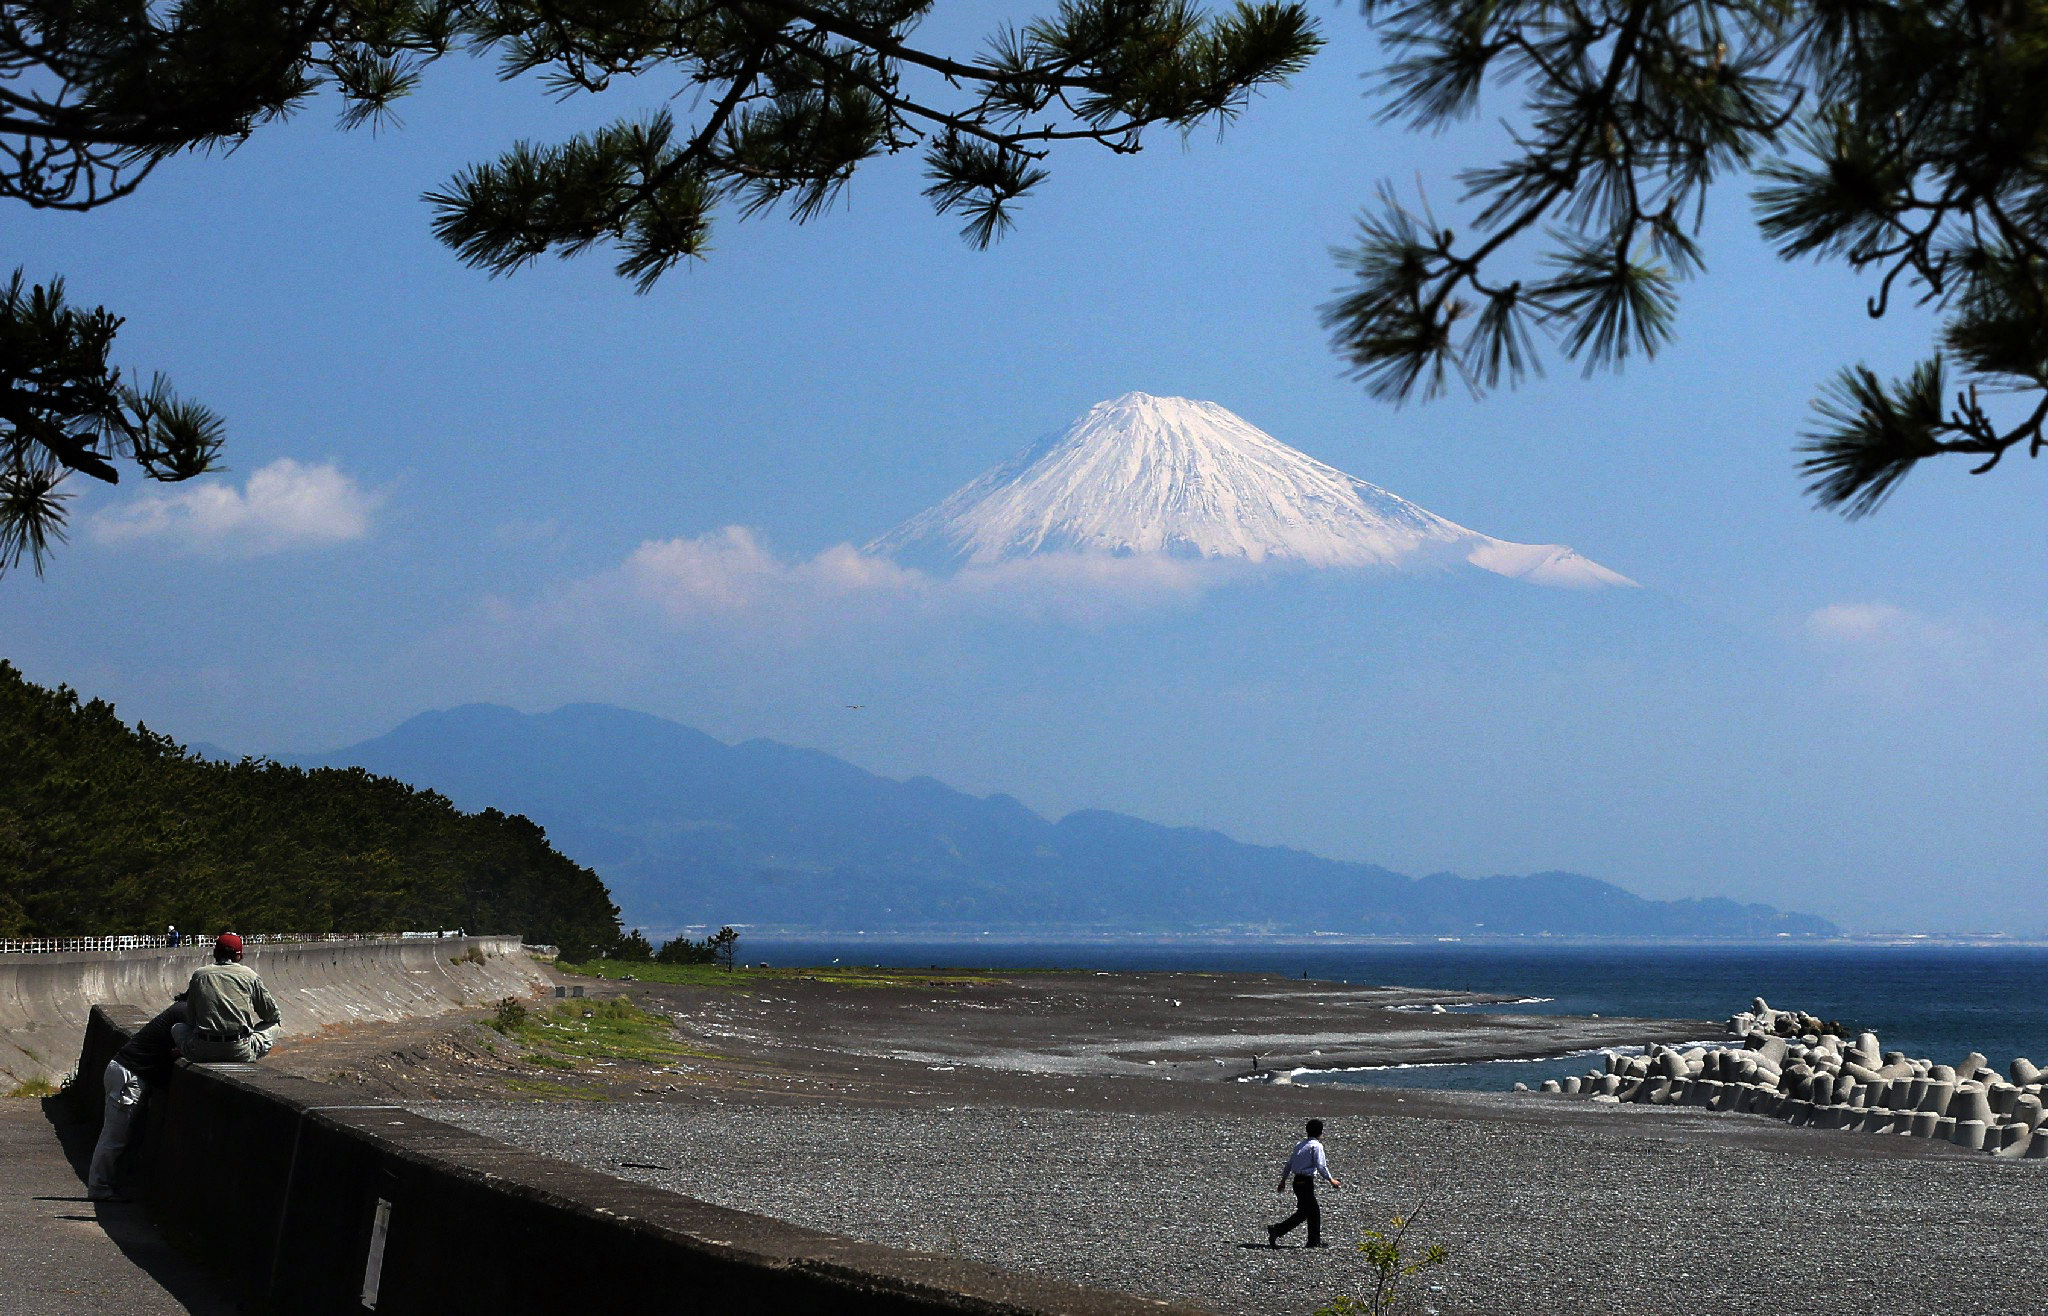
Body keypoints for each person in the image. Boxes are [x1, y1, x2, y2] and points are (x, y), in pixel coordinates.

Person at [86, 997, 187, 1201]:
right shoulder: (184, 1012)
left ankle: (108, 1185)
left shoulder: (179, 1009)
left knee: (122, 1136)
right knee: (115, 1137)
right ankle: (99, 1188)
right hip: (128, 1075)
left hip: (127, 1072)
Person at [172, 933, 281, 1062]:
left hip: (203, 1049)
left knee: (177, 1028)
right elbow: (270, 1014)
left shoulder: (199, 975)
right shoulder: (249, 975)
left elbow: (191, 1018)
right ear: (239, 955)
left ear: (215, 953)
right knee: (274, 1024)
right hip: (239, 1050)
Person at [1267, 1117, 1341, 1248]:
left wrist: (1283, 1180)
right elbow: (1321, 1166)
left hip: (1296, 1182)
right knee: (1313, 1211)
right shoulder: (1316, 1146)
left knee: (1304, 1212)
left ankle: (1279, 1231)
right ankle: (1310, 1240)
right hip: (1306, 1182)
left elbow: (1289, 1164)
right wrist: (1331, 1180)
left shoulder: (1300, 1145)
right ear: (1320, 1132)